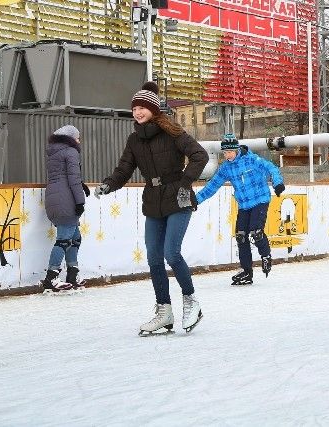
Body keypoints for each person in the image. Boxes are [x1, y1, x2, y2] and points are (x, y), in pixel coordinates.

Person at [95, 82, 209, 335]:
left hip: (178, 198)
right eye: (134, 108)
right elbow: (124, 169)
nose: (137, 112)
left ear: (153, 109)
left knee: (172, 253)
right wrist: (108, 185)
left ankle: (191, 302)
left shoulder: (173, 133)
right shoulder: (135, 140)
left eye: (142, 107)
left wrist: (185, 183)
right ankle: (164, 311)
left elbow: (200, 155)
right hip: (153, 201)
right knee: (154, 258)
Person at [195, 134, 285, 286]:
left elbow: (271, 167)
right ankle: (246, 271)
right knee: (241, 236)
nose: (227, 155)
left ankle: (265, 256)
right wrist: (195, 200)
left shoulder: (252, 160)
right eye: (224, 153)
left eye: (230, 152)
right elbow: (212, 186)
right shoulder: (226, 168)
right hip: (244, 205)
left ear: (236, 150)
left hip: (260, 200)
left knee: (256, 232)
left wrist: (277, 183)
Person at [41, 125, 90, 292]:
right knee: (63, 240)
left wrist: (81, 185)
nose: (79, 140)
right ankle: (51, 277)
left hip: (54, 198)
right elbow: (73, 179)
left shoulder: (55, 152)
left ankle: (72, 273)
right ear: (70, 138)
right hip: (66, 200)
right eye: (77, 137)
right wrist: (80, 202)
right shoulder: (71, 152)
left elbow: (62, 175)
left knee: (75, 238)